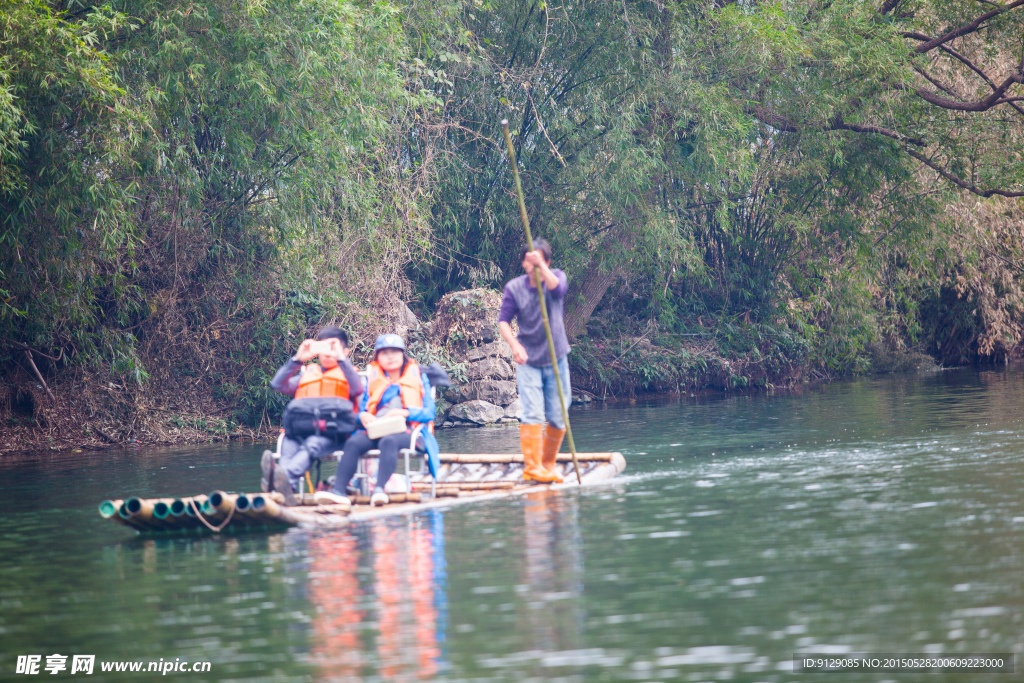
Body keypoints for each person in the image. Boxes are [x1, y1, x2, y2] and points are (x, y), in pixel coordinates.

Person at [314, 334, 437, 507]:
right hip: (376, 429)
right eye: (384, 352)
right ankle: (339, 491)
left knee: (389, 441)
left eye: (394, 352)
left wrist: (404, 413)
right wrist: (362, 416)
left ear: (403, 354)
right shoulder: (373, 377)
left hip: (409, 431)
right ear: (377, 356)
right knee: (354, 442)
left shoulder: (418, 376)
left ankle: (379, 490)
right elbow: (363, 409)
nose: (390, 356)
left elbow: (430, 412)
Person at [262, 327, 363, 505]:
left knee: (313, 444)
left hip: (332, 434)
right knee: (289, 443)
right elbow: (278, 384)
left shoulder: (350, 374)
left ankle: (280, 477)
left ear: (345, 352)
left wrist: (341, 359)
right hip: (300, 430)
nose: (327, 353)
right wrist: (297, 360)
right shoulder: (308, 373)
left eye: (333, 347)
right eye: (324, 348)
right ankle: (285, 490)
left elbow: (357, 389)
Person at [497, 238, 570, 484]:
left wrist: (542, 267)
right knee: (531, 413)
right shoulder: (514, 288)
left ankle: (547, 464)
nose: (533, 265)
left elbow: (557, 288)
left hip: (556, 356)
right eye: (529, 261)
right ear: (523, 263)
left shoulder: (556, 276)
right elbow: (504, 321)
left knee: (559, 416)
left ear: (547, 261)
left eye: (538, 260)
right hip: (528, 358)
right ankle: (532, 467)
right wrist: (515, 345)